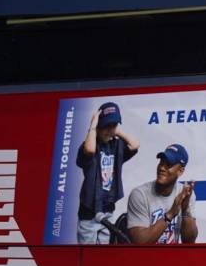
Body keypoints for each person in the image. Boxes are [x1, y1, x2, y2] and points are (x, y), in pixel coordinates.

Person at [75, 101, 139, 243]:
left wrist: (116, 131)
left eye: (113, 125)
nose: (109, 130)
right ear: (98, 126)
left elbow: (134, 145)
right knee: (87, 256)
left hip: (108, 209)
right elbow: (90, 150)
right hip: (89, 213)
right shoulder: (89, 145)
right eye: (106, 126)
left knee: (104, 254)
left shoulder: (116, 145)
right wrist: (93, 126)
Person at [127, 144, 199, 244]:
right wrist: (170, 214)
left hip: (174, 258)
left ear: (180, 171)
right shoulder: (140, 194)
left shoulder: (185, 194)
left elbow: (189, 241)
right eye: (161, 162)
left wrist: (185, 209)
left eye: (168, 164)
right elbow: (140, 243)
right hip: (147, 258)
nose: (162, 168)